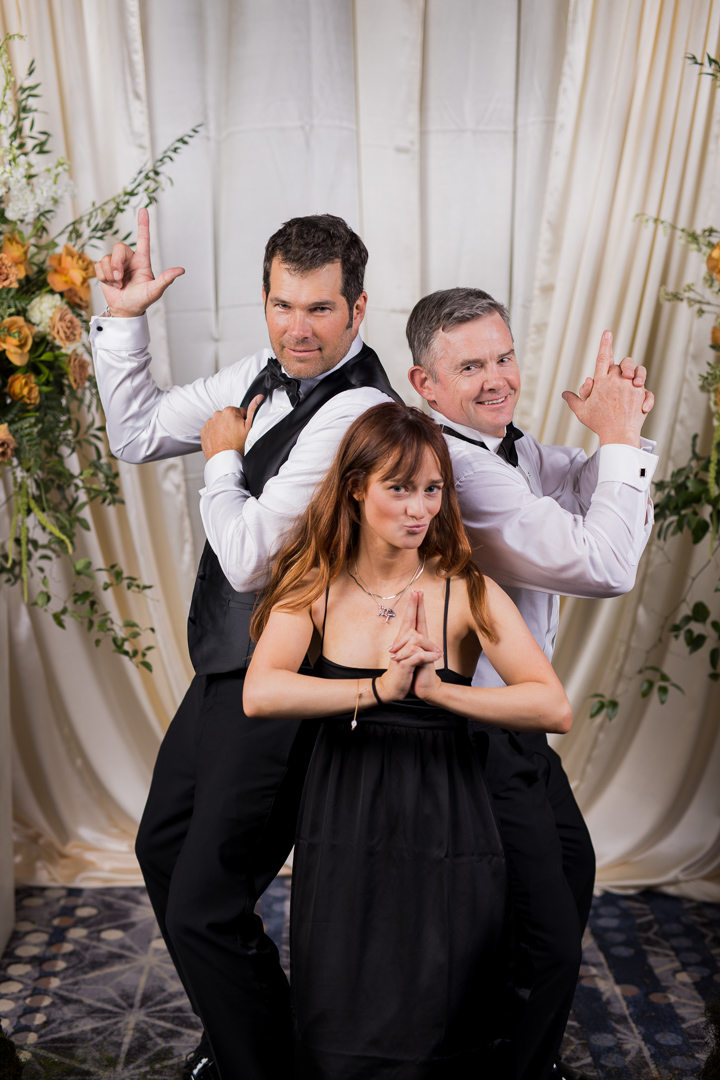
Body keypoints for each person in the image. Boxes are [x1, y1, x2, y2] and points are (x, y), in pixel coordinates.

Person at [91, 210, 399, 1080]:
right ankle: (244, 1043)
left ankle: (260, 1065)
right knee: (162, 851)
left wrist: (221, 457)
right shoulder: (260, 374)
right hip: (228, 670)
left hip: (289, 681)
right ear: (264, 300)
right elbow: (136, 433)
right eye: (281, 305)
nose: (298, 328)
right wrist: (124, 321)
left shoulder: (360, 412)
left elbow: (252, 558)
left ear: (358, 308)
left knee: (205, 906)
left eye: (320, 309)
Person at [243, 401, 572, 1079]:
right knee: (344, 979)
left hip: (447, 806)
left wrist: (440, 692)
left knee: (442, 981)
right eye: (399, 488)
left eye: (432, 489)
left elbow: (553, 706)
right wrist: (379, 690)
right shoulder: (315, 584)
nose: (420, 509)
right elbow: (261, 692)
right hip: (345, 805)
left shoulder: (468, 589)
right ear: (355, 487)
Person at [406, 288, 657, 1080]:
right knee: (537, 933)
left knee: (567, 879)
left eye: (505, 357)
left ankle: (521, 1061)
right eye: (470, 366)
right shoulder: (458, 471)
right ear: (424, 385)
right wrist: (617, 439)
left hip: (519, 726)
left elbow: (606, 504)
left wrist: (621, 431)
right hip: (471, 729)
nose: (497, 378)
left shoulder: (518, 453)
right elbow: (604, 564)